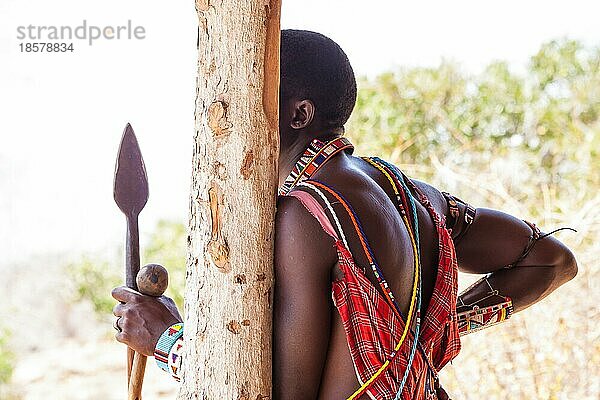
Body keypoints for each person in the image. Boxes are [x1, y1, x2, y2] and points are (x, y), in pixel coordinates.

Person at [111, 29, 578, 399]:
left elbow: (272, 397)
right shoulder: (409, 193)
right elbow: (551, 260)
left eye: (246, 97)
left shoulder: (305, 215)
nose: (224, 116)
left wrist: (167, 340)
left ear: (298, 114)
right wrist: (442, 325)